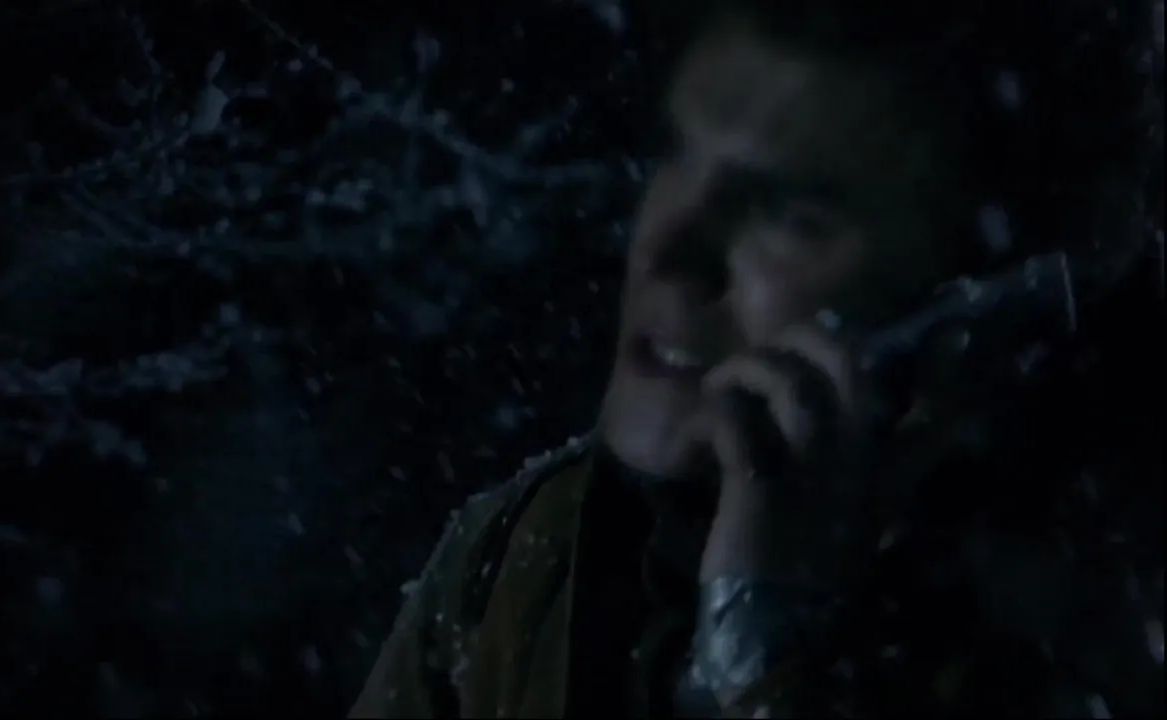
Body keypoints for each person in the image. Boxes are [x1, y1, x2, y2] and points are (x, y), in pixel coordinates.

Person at [350, 0, 1158, 716]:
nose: (666, 249)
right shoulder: (528, 558)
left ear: (985, 303)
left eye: (786, 213)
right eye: (675, 154)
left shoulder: (1093, 636)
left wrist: (766, 650)